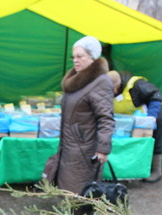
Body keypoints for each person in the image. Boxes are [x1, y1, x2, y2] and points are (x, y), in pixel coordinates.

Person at [43, 36, 115, 195]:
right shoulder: (77, 81)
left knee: (80, 191)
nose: (75, 60)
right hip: (69, 147)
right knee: (68, 188)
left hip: (85, 150)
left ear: (93, 57)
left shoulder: (100, 82)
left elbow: (106, 119)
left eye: (80, 56)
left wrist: (103, 149)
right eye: (73, 57)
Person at [107, 71, 162, 182]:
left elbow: (156, 95)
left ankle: (156, 171)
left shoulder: (136, 85)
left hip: (152, 114)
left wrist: (151, 118)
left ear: (117, 86)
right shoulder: (109, 90)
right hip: (131, 119)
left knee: (151, 140)